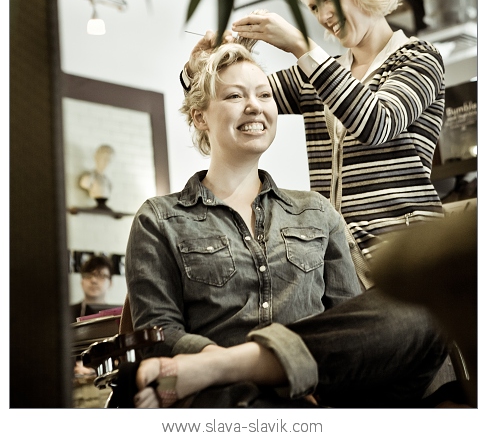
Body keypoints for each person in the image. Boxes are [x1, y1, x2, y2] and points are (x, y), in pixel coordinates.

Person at [127, 43, 446, 409]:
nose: (255, 105)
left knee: (424, 308)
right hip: (223, 399)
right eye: (234, 95)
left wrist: (241, 365)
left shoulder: (316, 211)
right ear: (200, 117)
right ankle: (232, 372)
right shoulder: (159, 219)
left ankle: (231, 367)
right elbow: (158, 332)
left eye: (264, 94)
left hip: (316, 390)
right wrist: (217, 362)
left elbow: (347, 323)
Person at [182, 0, 445, 287]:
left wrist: (300, 46)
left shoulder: (418, 59)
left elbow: (376, 123)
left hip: (410, 256)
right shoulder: (319, 75)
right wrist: (200, 67)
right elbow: (240, 101)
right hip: (340, 259)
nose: (322, 16)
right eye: (312, 7)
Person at [70, 254, 114, 323]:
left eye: (101, 275)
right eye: (88, 275)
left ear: (110, 283)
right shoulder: (67, 313)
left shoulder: (116, 316)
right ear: (82, 282)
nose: (94, 280)